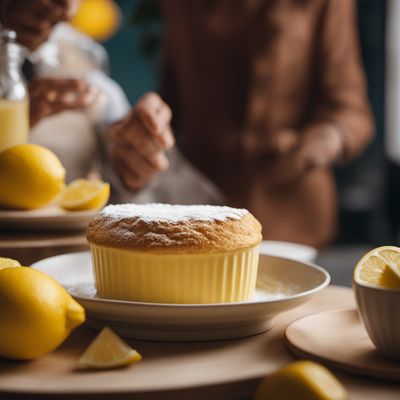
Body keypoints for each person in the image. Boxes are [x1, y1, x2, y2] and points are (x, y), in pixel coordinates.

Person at [110, 0, 374, 247]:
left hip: (292, 218)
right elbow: (170, 102)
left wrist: (322, 141)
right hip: (201, 209)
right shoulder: (180, 5)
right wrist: (145, 133)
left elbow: (351, 109)